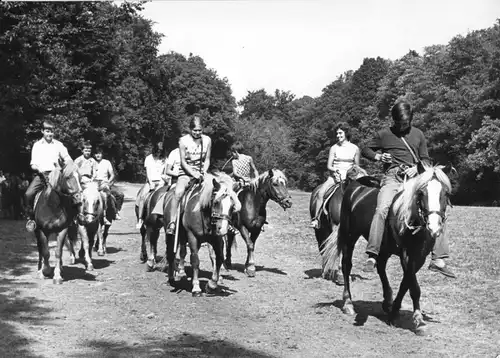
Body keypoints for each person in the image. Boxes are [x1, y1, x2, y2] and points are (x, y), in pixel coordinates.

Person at [361, 100, 456, 278]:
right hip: (392, 178)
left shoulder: (418, 134)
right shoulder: (384, 134)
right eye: (399, 123)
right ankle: (373, 253)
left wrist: (418, 166)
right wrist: (379, 156)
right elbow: (365, 149)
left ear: (411, 119)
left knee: (436, 208)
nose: (402, 126)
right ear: (394, 120)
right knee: (381, 208)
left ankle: (438, 258)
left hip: (415, 178)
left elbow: (426, 159)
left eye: (405, 123)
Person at [24, 120, 80, 232]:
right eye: (47, 131)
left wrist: (68, 163)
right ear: (42, 131)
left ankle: (74, 218)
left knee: (72, 193)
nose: (50, 134)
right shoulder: (37, 145)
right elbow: (33, 164)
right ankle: (31, 218)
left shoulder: (59, 145)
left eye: (51, 131)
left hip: (56, 174)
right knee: (28, 194)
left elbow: (67, 157)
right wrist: (39, 169)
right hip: (41, 174)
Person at [165, 114, 212, 235]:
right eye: (195, 130)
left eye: (200, 130)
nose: (197, 132)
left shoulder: (207, 140)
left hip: (202, 171)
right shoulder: (183, 141)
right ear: (190, 129)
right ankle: (172, 221)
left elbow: (207, 159)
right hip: (186, 172)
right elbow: (183, 162)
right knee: (178, 192)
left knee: (217, 190)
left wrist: (204, 172)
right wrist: (193, 174)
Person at [310, 124, 360, 229]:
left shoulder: (355, 148)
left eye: (340, 133)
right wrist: (335, 171)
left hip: (350, 177)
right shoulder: (334, 148)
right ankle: (316, 219)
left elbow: (356, 166)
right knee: (320, 193)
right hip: (335, 176)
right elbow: (329, 166)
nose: (338, 135)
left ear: (346, 133)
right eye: (337, 133)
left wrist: (353, 174)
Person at [135, 141, 169, 229]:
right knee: (143, 197)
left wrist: (163, 181)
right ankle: (140, 219)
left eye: (161, 151)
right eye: (157, 150)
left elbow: (165, 172)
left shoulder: (165, 159)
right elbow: (148, 172)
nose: (159, 152)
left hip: (162, 181)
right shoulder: (149, 158)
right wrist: (151, 184)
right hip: (151, 181)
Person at [94, 147, 125, 224]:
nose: (98, 155)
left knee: (119, 194)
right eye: (96, 154)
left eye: (99, 154)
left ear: (102, 154)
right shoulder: (92, 162)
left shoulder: (107, 162)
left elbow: (112, 174)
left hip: (105, 182)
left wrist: (108, 182)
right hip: (94, 183)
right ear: (94, 155)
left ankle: (116, 211)